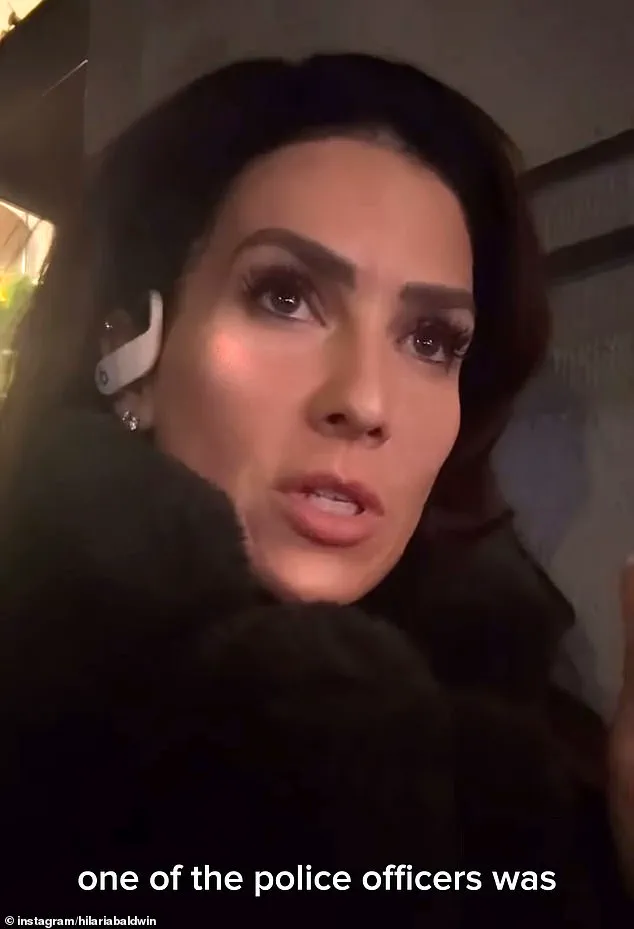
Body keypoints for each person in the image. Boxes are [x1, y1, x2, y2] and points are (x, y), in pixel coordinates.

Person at [0, 53, 631, 926]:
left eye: (432, 340)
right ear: (130, 351)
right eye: (285, 297)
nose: (365, 402)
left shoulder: (541, 757)